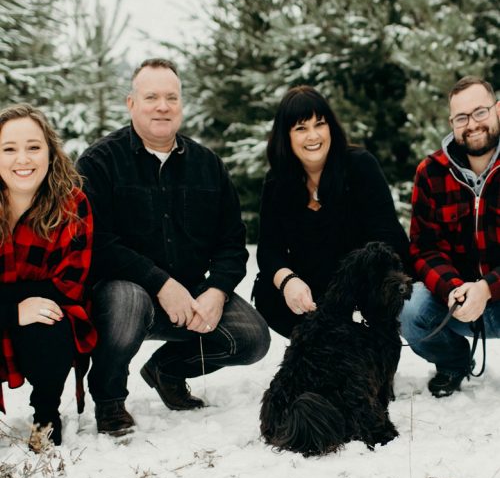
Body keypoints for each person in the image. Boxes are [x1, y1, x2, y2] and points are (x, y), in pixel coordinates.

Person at [77, 58, 270, 437]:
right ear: (131, 103)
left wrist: (217, 291)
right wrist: (161, 284)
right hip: (124, 296)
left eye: (171, 97)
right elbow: (96, 243)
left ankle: (167, 369)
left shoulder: (207, 165)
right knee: (127, 300)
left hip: (193, 296)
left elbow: (233, 241)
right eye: (151, 97)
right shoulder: (99, 162)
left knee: (252, 338)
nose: (162, 106)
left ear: (182, 104)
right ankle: (110, 400)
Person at [254, 85, 409, 338]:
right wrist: (288, 281)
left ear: (331, 128)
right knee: (267, 292)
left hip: (363, 283)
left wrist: (358, 285)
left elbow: (388, 235)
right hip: (312, 288)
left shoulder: (360, 165)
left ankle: (363, 350)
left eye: (320, 124)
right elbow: (269, 249)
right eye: (301, 128)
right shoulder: (277, 181)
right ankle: (319, 349)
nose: (313, 136)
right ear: (287, 136)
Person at [0, 104, 96, 451]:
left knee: (51, 317)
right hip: (12, 313)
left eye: (33, 147)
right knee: (36, 307)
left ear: (50, 152)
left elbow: (68, 284)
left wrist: (23, 303)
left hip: (45, 319)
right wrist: (13, 309)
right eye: (9, 149)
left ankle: (45, 417)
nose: (22, 159)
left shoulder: (72, 204)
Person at [400, 76, 500, 397]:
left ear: (497, 110)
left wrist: (487, 288)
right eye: (462, 117)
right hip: (457, 305)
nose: (472, 124)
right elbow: (423, 249)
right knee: (408, 308)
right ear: (452, 123)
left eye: (480, 112)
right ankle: (453, 361)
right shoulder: (430, 172)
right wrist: (453, 289)